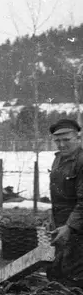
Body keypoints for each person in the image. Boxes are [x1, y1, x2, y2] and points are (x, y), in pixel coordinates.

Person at [48, 118, 83, 286]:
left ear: (78, 138)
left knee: (74, 276)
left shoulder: (81, 161)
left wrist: (70, 227)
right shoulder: (59, 160)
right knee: (57, 271)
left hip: (77, 228)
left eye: (66, 140)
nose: (61, 145)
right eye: (57, 140)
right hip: (63, 226)